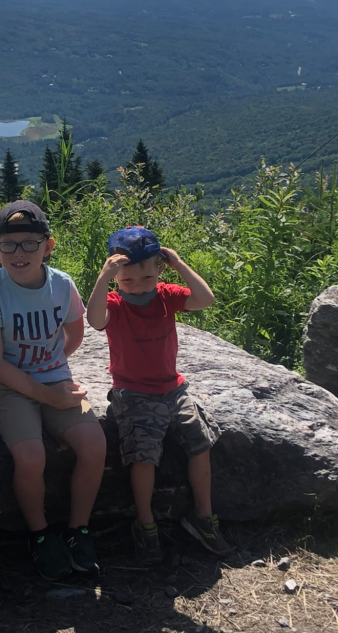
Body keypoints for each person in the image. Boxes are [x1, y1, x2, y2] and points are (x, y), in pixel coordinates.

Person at [0, 200, 107, 580]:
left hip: (56, 379)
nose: (19, 253)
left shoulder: (62, 284)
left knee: (94, 445)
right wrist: (47, 395)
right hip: (5, 387)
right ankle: (40, 534)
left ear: (48, 246)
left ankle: (78, 529)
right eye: (9, 245)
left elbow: (74, 333)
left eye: (30, 243)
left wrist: (53, 368)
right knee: (31, 457)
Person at [86, 226, 232, 565]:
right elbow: (94, 320)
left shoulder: (165, 296)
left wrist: (179, 264)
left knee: (200, 443)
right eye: (127, 280)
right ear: (116, 278)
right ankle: (146, 524)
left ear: (159, 271)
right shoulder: (115, 304)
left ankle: (204, 516)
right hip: (132, 392)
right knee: (144, 456)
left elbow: (205, 299)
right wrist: (103, 278)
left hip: (172, 388)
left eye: (148, 278)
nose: (138, 286)